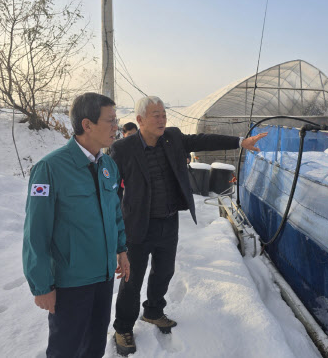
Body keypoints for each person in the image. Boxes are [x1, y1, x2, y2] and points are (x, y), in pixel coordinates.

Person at [110, 96, 267, 356]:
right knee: (131, 279)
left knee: (164, 272)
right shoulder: (122, 149)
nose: (162, 119)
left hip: (168, 221)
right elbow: (112, 195)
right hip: (137, 226)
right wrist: (115, 238)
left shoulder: (172, 137)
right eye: (155, 115)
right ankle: (123, 327)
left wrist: (240, 142)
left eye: (163, 114)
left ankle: (153, 311)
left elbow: (203, 140)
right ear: (139, 120)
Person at [22, 92, 130, 358]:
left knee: (94, 347)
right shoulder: (50, 168)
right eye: (110, 120)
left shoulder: (108, 166)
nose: (116, 127)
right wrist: (41, 285)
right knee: (66, 350)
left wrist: (122, 250)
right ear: (87, 124)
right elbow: (36, 232)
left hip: (104, 277)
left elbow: (115, 212)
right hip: (71, 282)